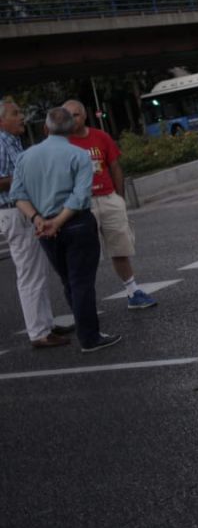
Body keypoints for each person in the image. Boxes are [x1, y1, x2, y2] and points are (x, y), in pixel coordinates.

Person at [10, 107, 121, 353]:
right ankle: (90, 337)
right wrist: (58, 221)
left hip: (45, 229)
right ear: (71, 128)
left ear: (45, 128)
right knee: (82, 282)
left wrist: (38, 219)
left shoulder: (25, 157)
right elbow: (80, 195)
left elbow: (17, 195)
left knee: (68, 281)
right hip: (76, 223)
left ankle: (86, 330)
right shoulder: (79, 155)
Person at [63, 100, 158, 310]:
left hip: (108, 198)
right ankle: (84, 302)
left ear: (84, 115)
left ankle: (133, 292)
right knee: (84, 256)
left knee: (120, 248)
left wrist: (119, 198)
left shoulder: (100, 136)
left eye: (76, 115)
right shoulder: (63, 143)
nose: (72, 120)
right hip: (81, 205)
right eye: (68, 116)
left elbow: (115, 166)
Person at [0, 99, 71, 349]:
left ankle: (45, 323)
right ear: (1, 120)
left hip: (24, 211)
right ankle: (38, 332)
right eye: (15, 113)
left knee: (38, 271)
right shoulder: (0, 142)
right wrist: (26, 174)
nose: (22, 117)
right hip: (14, 212)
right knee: (29, 273)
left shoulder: (12, 141)